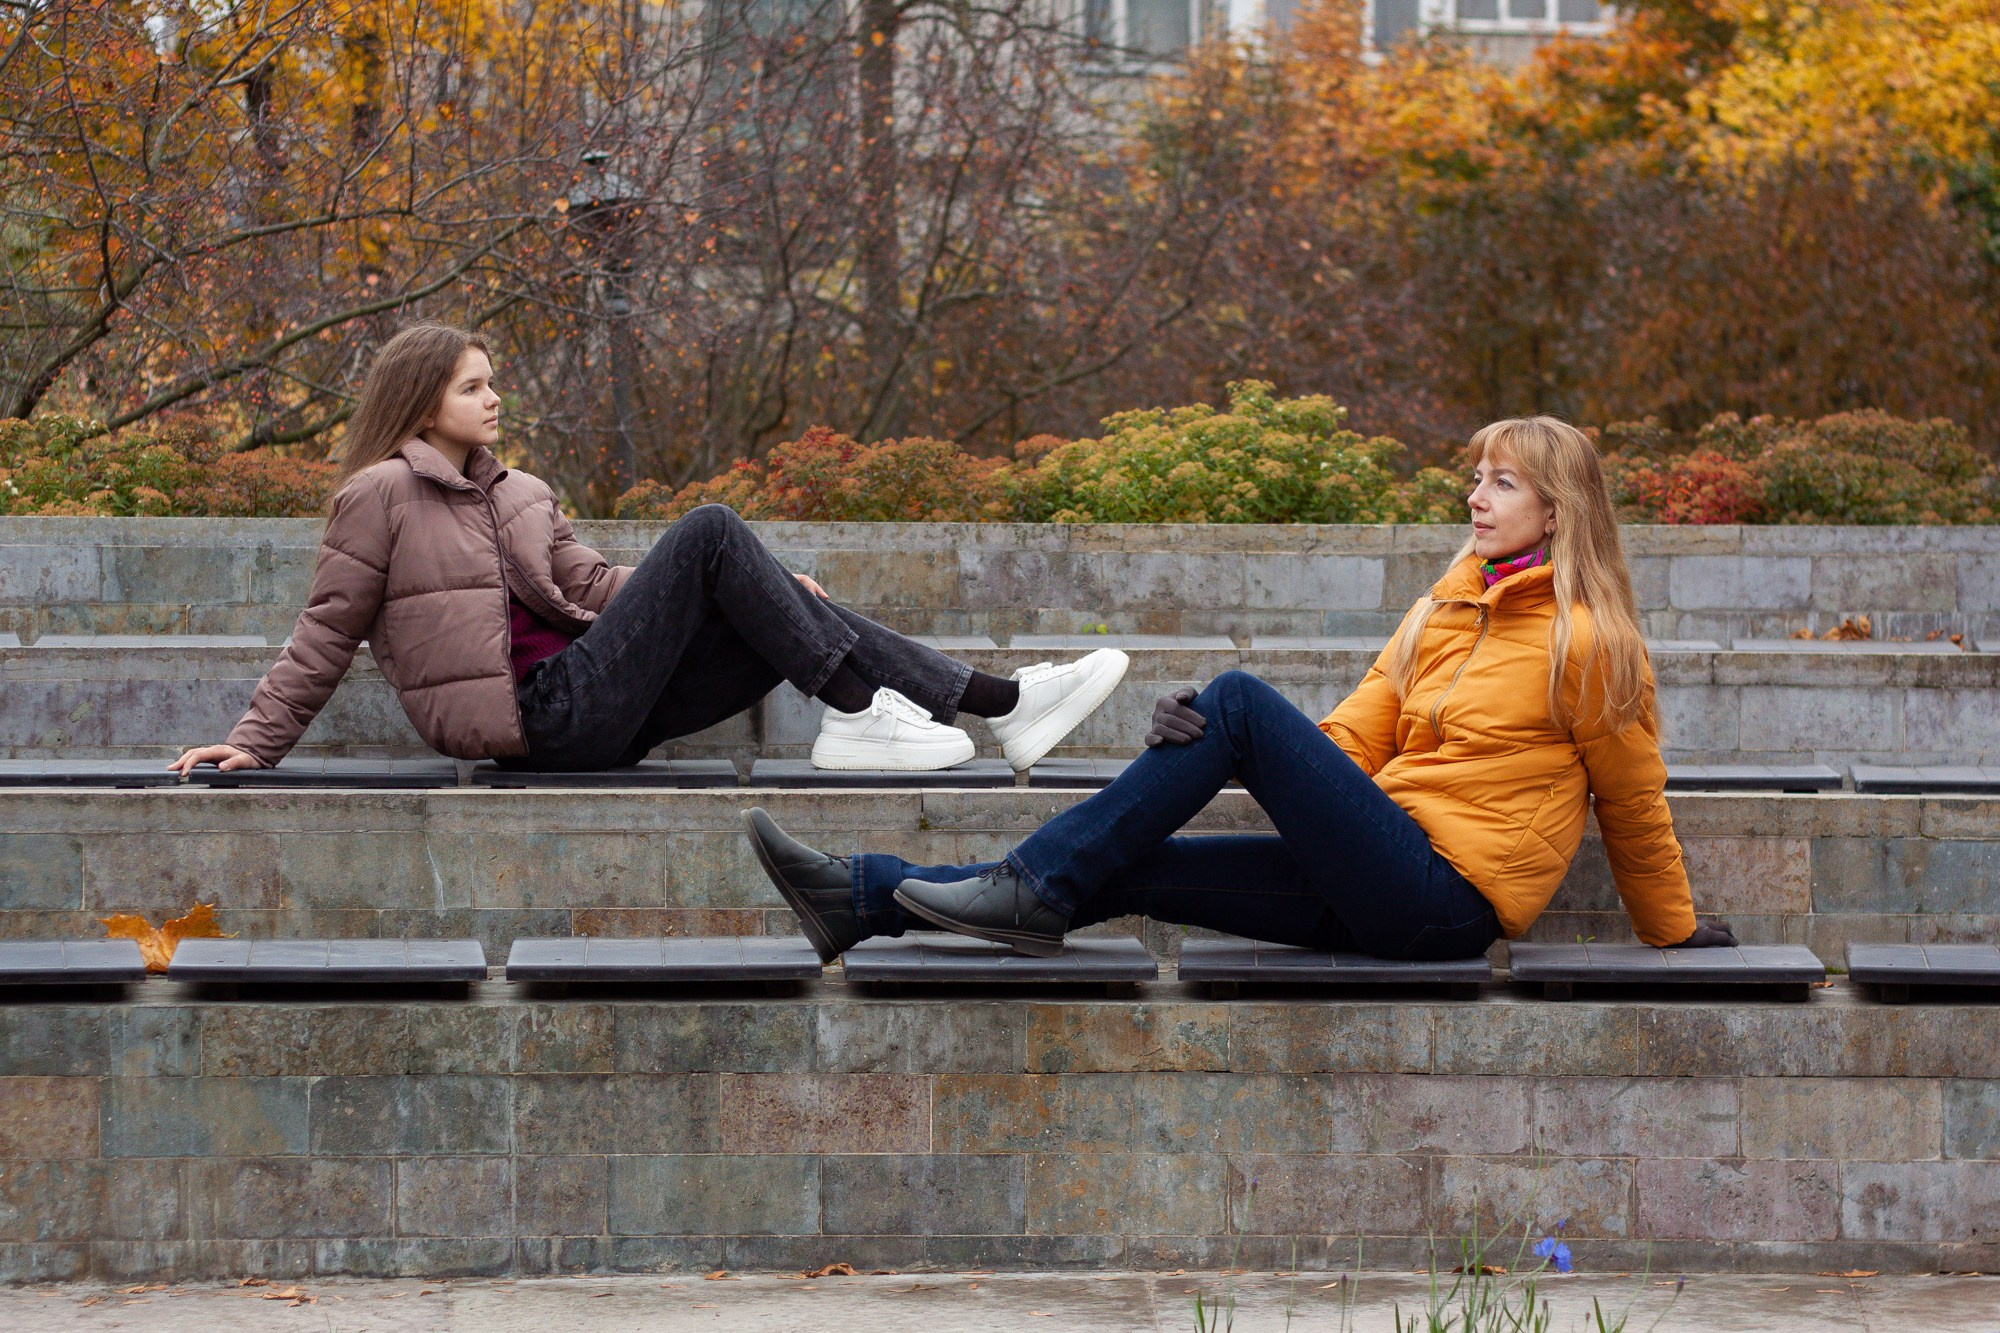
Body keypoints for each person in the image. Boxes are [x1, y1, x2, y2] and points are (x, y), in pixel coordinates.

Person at [744, 416, 1737, 964]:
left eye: (1501, 483)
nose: (1474, 497)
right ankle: (859, 898)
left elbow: (1629, 796)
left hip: (1444, 901)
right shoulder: (1442, 608)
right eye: (1474, 478)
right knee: (1124, 864)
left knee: (1234, 697)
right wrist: (1227, 745)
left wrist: (1674, 930)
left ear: (1556, 512)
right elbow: (1348, 743)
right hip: (1371, 868)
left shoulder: (1589, 641)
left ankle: (1028, 885)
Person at [169, 322, 1127, 778]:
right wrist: (254, 746)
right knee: (712, 525)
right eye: (473, 388)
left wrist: (762, 592)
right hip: (539, 721)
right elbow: (324, 632)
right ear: (423, 403)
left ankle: (1001, 707)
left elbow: (592, 584)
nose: (494, 399)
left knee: (769, 590)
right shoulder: (378, 495)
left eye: (494, 383)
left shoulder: (522, 492)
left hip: (608, 715)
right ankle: (861, 710)